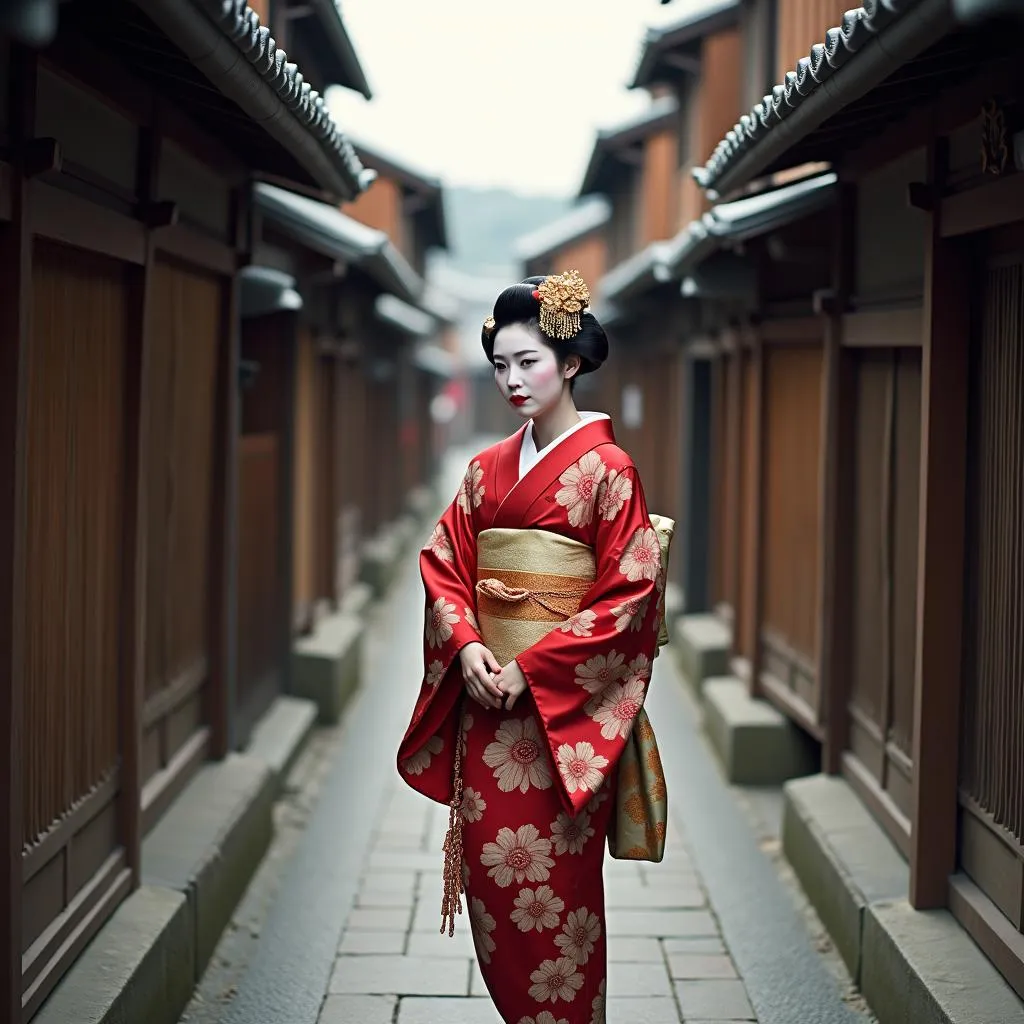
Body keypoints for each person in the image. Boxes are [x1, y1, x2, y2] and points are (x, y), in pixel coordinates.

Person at [397, 270, 663, 1024]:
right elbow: (445, 562)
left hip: (559, 722)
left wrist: (532, 667)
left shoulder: (610, 473)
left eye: (530, 362)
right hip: (488, 711)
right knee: (493, 882)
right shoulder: (484, 472)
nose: (512, 380)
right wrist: (468, 644)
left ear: (571, 362)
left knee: (556, 895)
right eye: (501, 365)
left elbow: (630, 596)